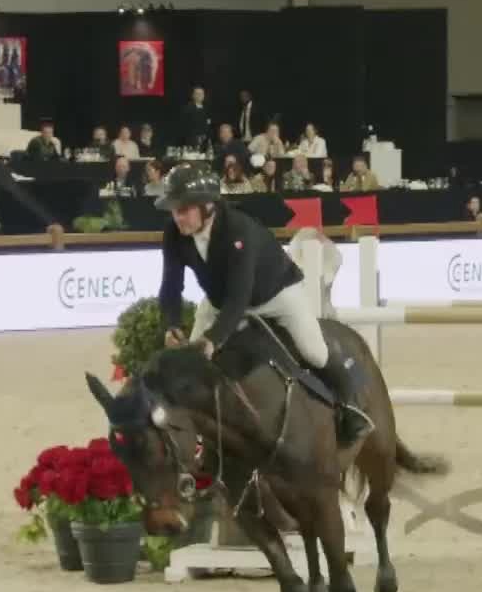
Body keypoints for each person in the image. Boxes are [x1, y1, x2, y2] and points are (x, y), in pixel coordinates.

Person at [153, 165, 373, 448]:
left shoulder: (238, 229)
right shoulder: (174, 232)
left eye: (183, 210)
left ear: (207, 205)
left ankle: (351, 404)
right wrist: (171, 324)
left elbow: (240, 295)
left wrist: (213, 339)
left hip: (276, 295)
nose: (177, 217)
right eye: (174, 210)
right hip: (220, 301)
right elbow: (171, 284)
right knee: (190, 368)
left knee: (314, 353)